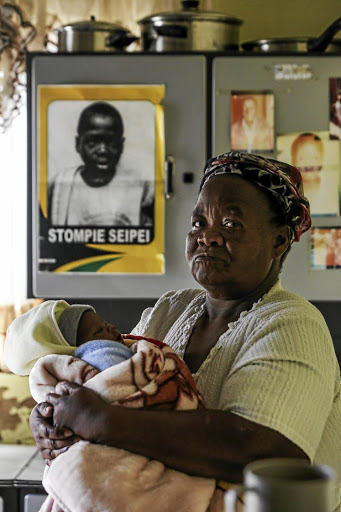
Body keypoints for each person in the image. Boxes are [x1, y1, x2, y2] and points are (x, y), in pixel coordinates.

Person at [30, 151, 341, 511]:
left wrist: (102, 422)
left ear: (279, 241)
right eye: (198, 223)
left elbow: (266, 452)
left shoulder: (293, 323)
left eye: (231, 224)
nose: (207, 237)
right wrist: (53, 416)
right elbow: (110, 382)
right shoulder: (170, 309)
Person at [48, 101, 154, 226]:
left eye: (111, 143)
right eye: (93, 143)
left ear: (121, 145)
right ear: (78, 144)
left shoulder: (141, 187)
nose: (103, 150)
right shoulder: (60, 184)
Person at [290, 132, 340, 215]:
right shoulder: (290, 192)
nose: (309, 164)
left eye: (315, 158)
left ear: (322, 160)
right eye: (302, 159)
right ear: (293, 161)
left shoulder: (331, 190)